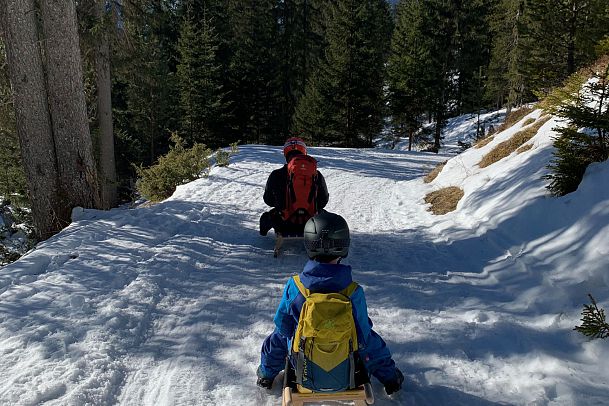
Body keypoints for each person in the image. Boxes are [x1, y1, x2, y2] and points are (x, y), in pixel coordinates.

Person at [256, 210, 404, 396]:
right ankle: (389, 377)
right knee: (368, 339)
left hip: (303, 365)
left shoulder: (296, 287)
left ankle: (266, 375)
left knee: (279, 336)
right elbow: (364, 336)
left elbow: (283, 329)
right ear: (344, 246)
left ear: (309, 244)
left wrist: (267, 372)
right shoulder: (353, 292)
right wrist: (389, 376)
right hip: (345, 366)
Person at [259, 137, 329, 236]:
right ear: (304, 151)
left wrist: (281, 205)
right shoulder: (316, 174)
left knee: (267, 216)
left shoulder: (276, 174)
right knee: (326, 214)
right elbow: (323, 201)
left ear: (286, 153)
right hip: (312, 222)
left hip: (283, 223)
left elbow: (268, 200)